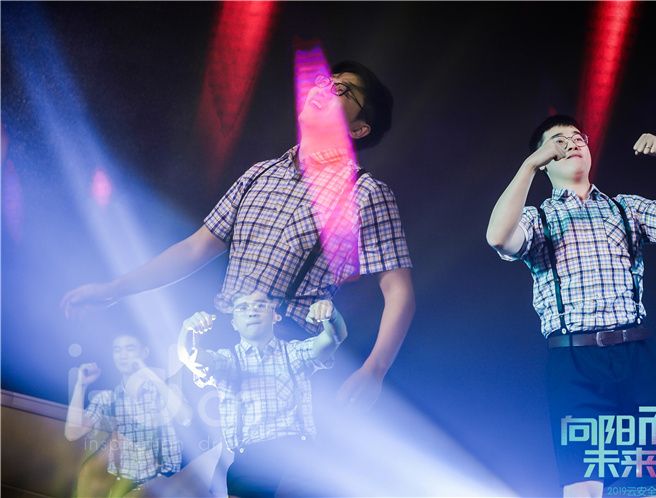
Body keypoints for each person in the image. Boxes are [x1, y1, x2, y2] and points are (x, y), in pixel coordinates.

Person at [61, 60, 415, 410]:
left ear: (359, 129)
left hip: (285, 359)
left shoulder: (365, 193)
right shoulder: (259, 174)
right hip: (220, 345)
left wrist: (374, 370)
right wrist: (113, 289)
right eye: (324, 81)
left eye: (341, 90)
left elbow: (398, 291)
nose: (323, 90)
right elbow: (196, 248)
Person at [486, 115, 656, 497]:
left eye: (578, 138)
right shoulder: (537, 218)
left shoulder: (626, 209)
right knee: (584, 488)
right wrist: (529, 166)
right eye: (559, 141)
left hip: (637, 353)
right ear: (545, 158)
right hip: (574, 362)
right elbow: (498, 237)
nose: (573, 143)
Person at [177, 291, 347, 497]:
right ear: (233, 323)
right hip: (249, 459)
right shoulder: (226, 360)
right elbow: (189, 357)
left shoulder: (294, 353)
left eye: (260, 305)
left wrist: (331, 315)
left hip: (298, 454)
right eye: (243, 308)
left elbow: (334, 337)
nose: (252, 312)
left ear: (275, 316)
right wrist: (188, 330)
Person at [65, 333, 190, 497]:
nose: (122, 355)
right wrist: (81, 385)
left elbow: (185, 417)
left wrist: (147, 372)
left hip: (160, 482)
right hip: (119, 482)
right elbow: (73, 433)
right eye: (117, 350)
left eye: (130, 348)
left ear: (144, 353)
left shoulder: (163, 392)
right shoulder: (109, 397)